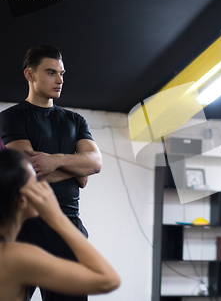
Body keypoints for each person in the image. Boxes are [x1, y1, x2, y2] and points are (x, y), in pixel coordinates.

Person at [0, 44, 102, 301]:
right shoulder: (12, 117)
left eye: (62, 73)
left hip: (68, 228)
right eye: (51, 72)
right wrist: (76, 169)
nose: (60, 80)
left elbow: (95, 163)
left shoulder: (75, 121)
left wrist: (55, 160)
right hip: (25, 228)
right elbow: (28, 173)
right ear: (30, 74)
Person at [0, 149, 120, 301]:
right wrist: (56, 216)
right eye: (36, 183)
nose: (44, 187)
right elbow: (108, 280)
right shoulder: (16, 257)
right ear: (22, 199)